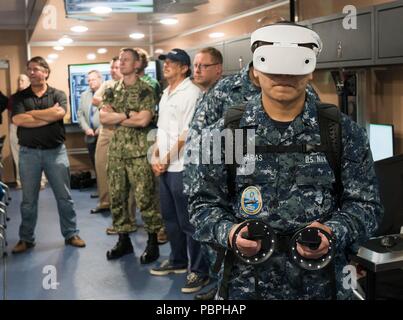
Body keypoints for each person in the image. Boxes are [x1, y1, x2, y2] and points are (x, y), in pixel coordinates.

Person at [188, 22, 383, 299]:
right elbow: (204, 205)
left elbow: (366, 206)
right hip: (246, 285)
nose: (283, 75)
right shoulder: (232, 133)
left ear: (310, 69)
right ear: (255, 70)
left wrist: (332, 232)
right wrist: (230, 233)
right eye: (273, 66)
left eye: (294, 67)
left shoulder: (339, 132)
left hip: (322, 285)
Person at [11, 56, 86, 253]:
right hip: (29, 154)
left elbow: (59, 113)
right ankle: (26, 239)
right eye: (29, 69)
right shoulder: (19, 97)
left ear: (46, 72)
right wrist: (47, 115)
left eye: (36, 69)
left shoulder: (58, 94)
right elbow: (18, 119)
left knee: (64, 197)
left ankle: (71, 234)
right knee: (28, 200)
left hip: (56, 153)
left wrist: (34, 114)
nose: (31, 72)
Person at [149, 48, 209, 294]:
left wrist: (165, 158)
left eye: (172, 62)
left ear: (185, 68)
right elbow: (162, 129)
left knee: (188, 222)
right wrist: (154, 154)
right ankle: (177, 261)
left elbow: (187, 134)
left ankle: (199, 271)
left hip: (182, 166)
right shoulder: (166, 93)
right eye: (165, 62)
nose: (167, 66)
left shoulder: (191, 93)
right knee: (170, 219)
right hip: (164, 165)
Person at [100, 48, 163, 264]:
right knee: (117, 197)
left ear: (137, 64)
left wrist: (117, 118)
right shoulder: (111, 89)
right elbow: (103, 118)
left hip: (138, 153)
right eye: (119, 59)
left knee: (145, 197)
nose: (121, 63)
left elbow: (144, 121)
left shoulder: (146, 89)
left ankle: (153, 241)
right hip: (117, 152)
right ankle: (123, 240)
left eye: (126, 60)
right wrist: (128, 115)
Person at [91, 57, 122, 215]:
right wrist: (106, 104)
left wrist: (114, 105)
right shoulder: (107, 84)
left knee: (124, 172)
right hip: (106, 131)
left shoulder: (130, 85)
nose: (113, 70)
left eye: (116, 67)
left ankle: (126, 209)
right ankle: (105, 202)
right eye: (112, 67)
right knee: (101, 165)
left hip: (124, 131)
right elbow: (95, 99)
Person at [77, 70, 103, 173]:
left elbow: (111, 113)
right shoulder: (84, 95)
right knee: (95, 164)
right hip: (90, 136)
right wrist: (86, 128)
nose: (90, 82)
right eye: (89, 80)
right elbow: (80, 114)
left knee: (105, 165)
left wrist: (101, 128)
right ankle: (100, 188)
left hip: (104, 134)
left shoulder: (107, 93)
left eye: (93, 79)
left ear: (100, 79)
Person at [7, 75, 30, 189]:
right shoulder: (13, 97)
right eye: (18, 80)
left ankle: (41, 180)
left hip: (30, 127)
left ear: (28, 82)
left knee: (35, 155)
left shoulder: (32, 96)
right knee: (17, 156)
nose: (20, 82)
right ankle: (20, 181)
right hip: (15, 127)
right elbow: (11, 113)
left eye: (22, 80)